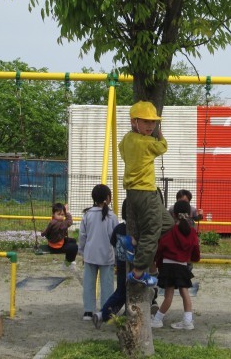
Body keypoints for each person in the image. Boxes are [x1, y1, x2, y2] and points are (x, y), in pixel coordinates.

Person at [119, 100, 174, 287]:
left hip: (135, 192)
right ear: (134, 121)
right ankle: (138, 272)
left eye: (153, 122)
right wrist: (160, 134)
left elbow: (121, 149)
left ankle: (133, 241)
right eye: (146, 121)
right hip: (145, 191)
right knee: (152, 232)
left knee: (167, 223)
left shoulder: (127, 139)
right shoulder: (148, 143)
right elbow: (163, 146)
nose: (151, 126)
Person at [151, 200, 201, 330]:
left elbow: (160, 249)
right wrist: (193, 258)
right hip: (182, 266)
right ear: (190, 213)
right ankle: (187, 321)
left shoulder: (169, 231)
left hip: (168, 266)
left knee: (168, 296)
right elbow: (196, 251)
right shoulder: (192, 232)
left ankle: (157, 320)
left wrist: (157, 263)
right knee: (185, 293)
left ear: (174, 214)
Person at [78, 184, 118, 321]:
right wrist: (116, 257)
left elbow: (82, 236)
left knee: (88, 284)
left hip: (90, 255)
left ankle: (88, 311)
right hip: (107, 256)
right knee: (107, 285)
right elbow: (115, 238)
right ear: (108, 198)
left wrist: (82, 252)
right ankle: (105, 311)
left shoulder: (87, 214)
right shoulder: (112, 216)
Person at [92, 200, 128, 329]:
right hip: (131, 265)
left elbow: (113, 242)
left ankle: (107, 314)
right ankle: (103, 314)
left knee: (122, 291)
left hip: (121, 263)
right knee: (122, 293)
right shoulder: (134, 231)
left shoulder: (119, 228)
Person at [41, 202, 78, 270]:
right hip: (56, 247)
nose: (61, 216)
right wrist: (66, 212)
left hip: (56, 242)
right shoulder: (57, 224)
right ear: (53, 214)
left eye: (62, 214)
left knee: (73, 241)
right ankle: (67, 264)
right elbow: (69, 222)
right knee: (74, 247)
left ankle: (68, 260)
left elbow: (45, 232)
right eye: (59, 214)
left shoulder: (53, 221)